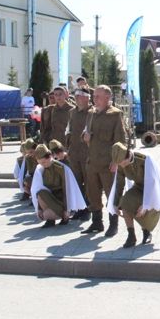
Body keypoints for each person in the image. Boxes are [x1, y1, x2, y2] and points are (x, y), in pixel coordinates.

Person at [81, 85, 126, 237]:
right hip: (92, 161)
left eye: (98, 96)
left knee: (111, 195)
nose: (95, 99)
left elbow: (120, 140)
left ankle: (113, 224)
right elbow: (85, 132)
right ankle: (97, 222)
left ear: (108, 98)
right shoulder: (91, 113)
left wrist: (116, 161)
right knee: (92, 193)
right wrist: (84, 137)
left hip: (108, 163)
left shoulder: (115, 115)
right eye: (94, 96)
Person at [107, 142, 160, 248]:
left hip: (153, 191)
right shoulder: (121, 163)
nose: (121, 166)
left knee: (144, 211)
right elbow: (119, 184)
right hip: (139, 188)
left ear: (127, 156)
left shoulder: (145, 160)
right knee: (125, 202)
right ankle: (131, 235)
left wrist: (145, 205)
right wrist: (115, 203)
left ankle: (146, 232)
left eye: (122, 163)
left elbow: (152, 184)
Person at [30, 144, 86, 228]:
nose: (43, 165)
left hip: (61, 201)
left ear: (49, 157)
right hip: (50, 199)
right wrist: (39, 209)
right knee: (40, 193)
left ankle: (64, 216)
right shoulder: (40, 169)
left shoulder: (61, 168)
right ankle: (50, 220)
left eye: (44, 162)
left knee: (47, 214)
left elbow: (67, 190)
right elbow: (37, 189)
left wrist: (66, 210)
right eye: (40, 163)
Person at [66, 88, 92, 221]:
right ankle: (79, 208)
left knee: (88, 182)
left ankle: (88, 208)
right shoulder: (72, 112)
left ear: (87, 98)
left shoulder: (93, 112)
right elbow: (68, 131)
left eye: (80, 96)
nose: (77, 98)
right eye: (75, 96)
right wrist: (67, 148)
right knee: (76, 181)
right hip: (74, 152)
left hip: (87, 153)